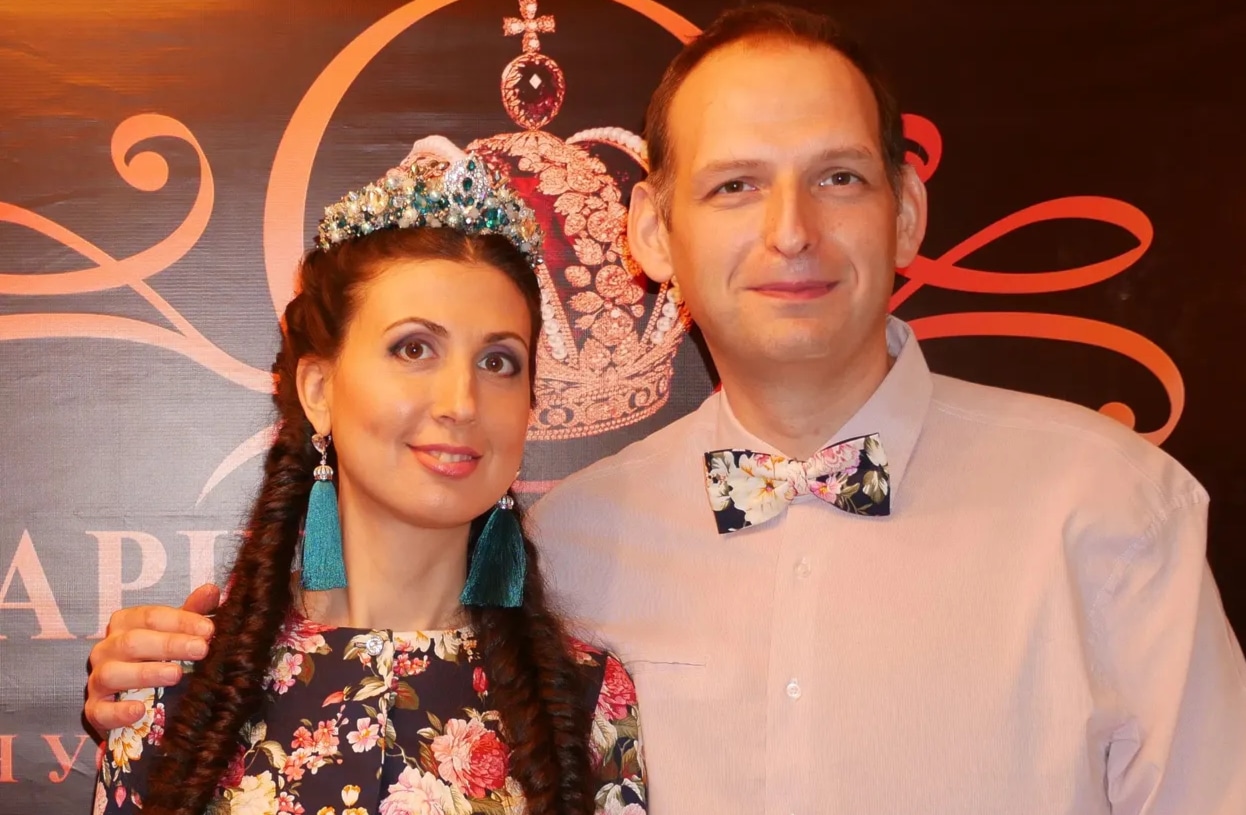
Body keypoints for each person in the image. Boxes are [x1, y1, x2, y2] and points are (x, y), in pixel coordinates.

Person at [86, 4, 1246, 814]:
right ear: (650, 229)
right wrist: (169, 677)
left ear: (905, 212)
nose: (790, 231)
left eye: (838, 176)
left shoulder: (1107, 507)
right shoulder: (571, 547)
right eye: (735, 184)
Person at [88, 139, 646, 815]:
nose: (461, 402)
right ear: (319, 389)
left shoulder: (588, 705)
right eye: (414, 348)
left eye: (498, 361)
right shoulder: (174, 687)